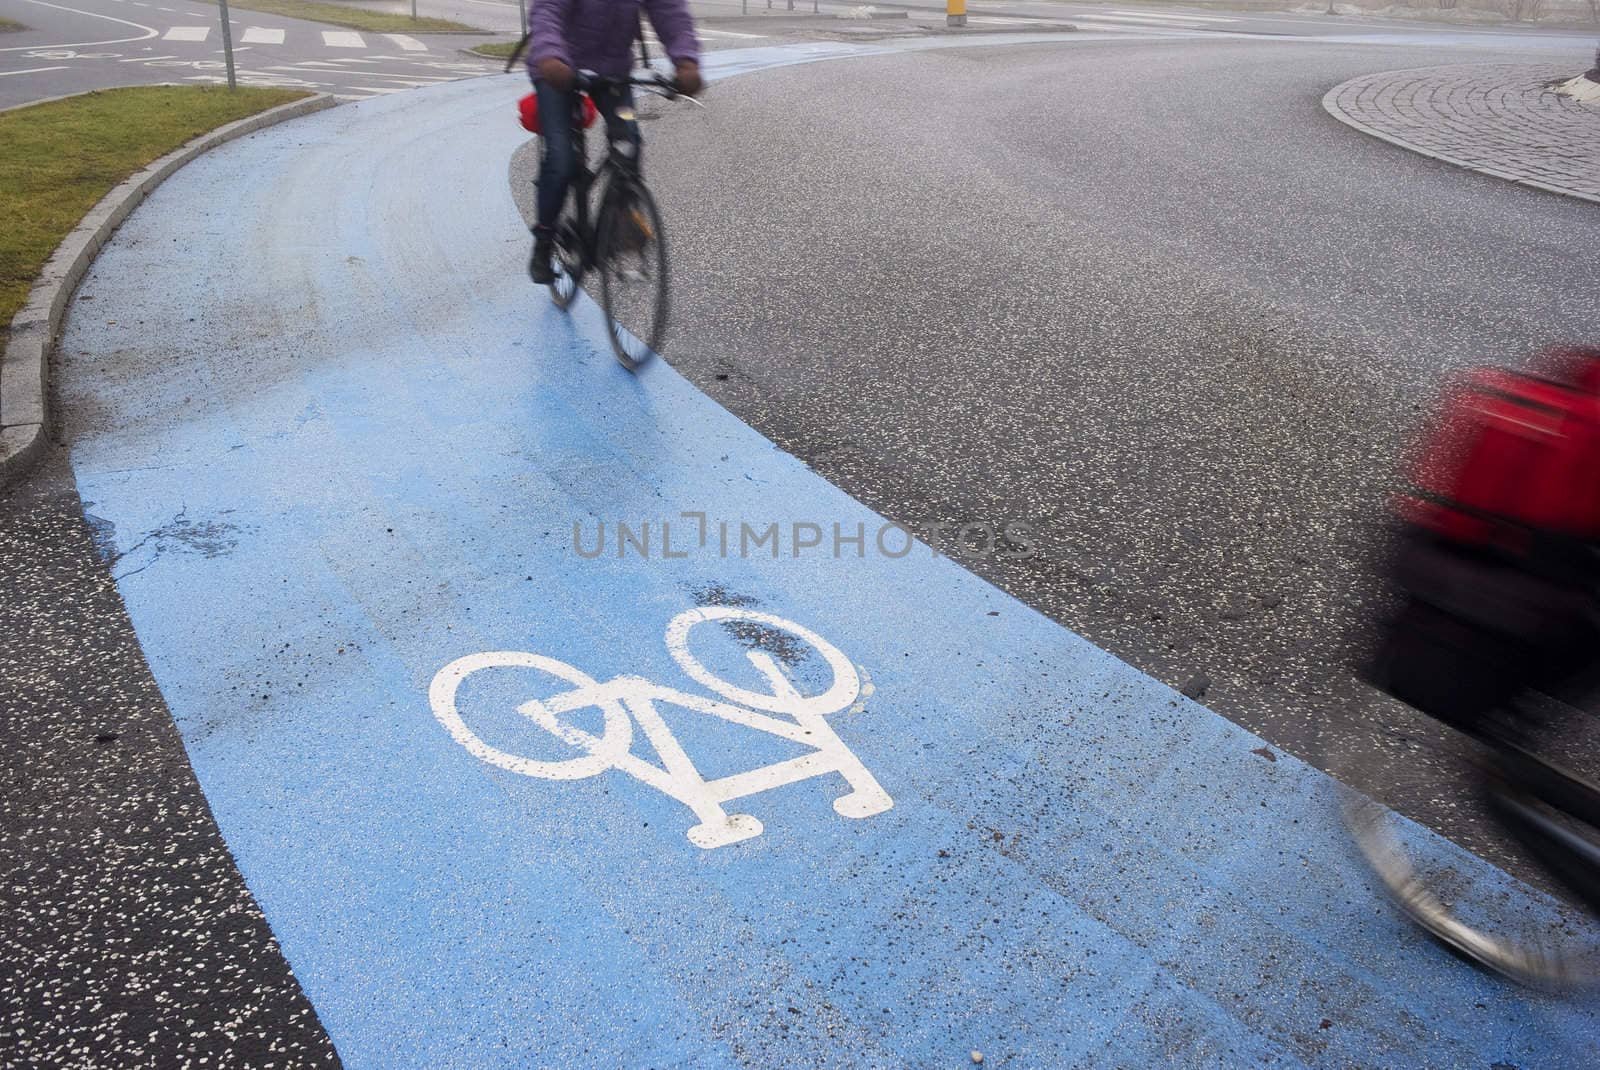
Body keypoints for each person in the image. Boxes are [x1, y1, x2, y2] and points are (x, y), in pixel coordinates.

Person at [525, 0, 702, 283]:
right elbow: (548, 9)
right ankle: (544, 242)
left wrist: (686, 61)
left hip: (613, 74)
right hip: (558, 69)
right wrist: (549, 56)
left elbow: (668, 10)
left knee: (629, 141)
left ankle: (621, 218)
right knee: (561, 160)